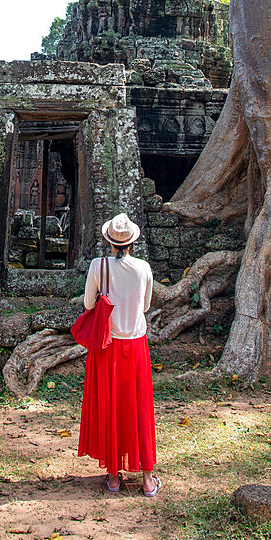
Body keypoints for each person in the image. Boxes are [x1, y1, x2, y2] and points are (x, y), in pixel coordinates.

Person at [77, 212, 160, 496]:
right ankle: (148, 478)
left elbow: (89, 304)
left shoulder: (98, 267)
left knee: (111, 405)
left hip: (107, 345)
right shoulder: (144, 268)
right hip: (135, 344)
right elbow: (145, 306)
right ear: (132, 243)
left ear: (110, 243)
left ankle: (114, 476)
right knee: (138, 407)